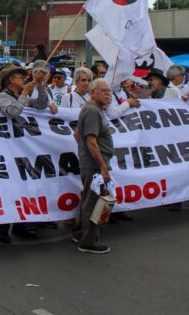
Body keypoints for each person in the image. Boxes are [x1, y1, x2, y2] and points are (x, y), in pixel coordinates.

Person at [0, 63, 56, 242]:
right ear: (11, 80)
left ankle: (20, 226)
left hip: (22, 150)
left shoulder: (20, 96)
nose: (24, 79)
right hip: (5, 150)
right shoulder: (1, 96)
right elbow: (13, 111)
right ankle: (3, 230)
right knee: (7, 191)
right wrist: (25, 93)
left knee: (23, 189)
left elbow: (41, 104)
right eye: (21, 77)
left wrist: (41, 85)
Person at [73, 78, 114, 254]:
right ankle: (88, 241)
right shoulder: (92, 111)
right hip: (94, 165)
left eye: (109, 91)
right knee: (94, 202)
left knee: (88, 199)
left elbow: (77, 134)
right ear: (93, 92)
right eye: (103, 90)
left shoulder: (95, 109)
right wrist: (103, 166)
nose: (108, 94)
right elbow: (91, 141)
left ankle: (80, 233)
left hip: (91, 163)